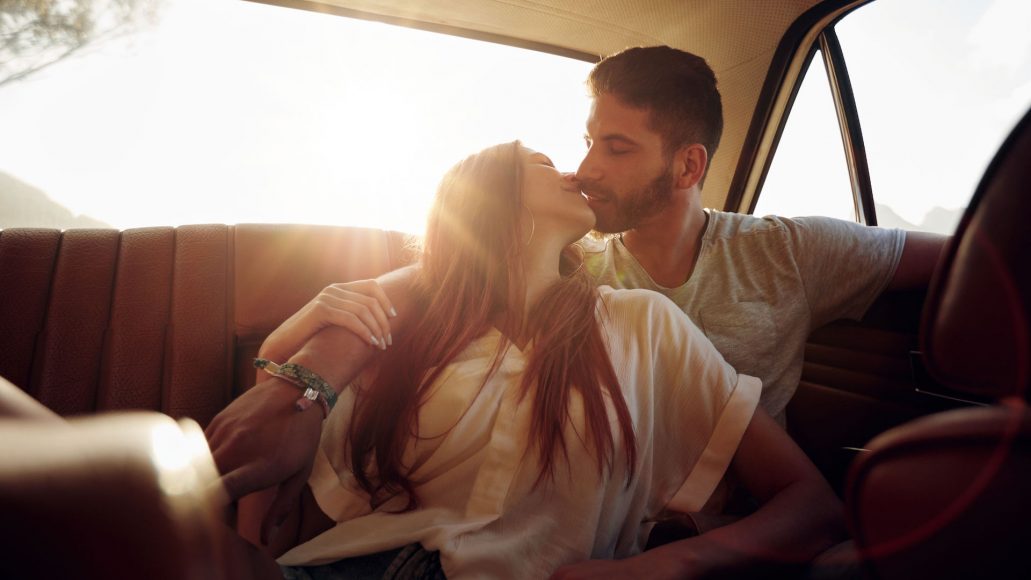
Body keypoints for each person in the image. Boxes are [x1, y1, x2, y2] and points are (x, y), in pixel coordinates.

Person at [206, 45, 944, 547]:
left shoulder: (790, 250)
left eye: (615, 148)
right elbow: (435, 280)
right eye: (586, 141)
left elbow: (974, 263)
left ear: (687, 166)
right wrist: (301, 377)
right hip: (572, 526)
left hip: (717, 526)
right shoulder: (574, 265)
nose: (587, 168)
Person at [233, 141, 843, 578]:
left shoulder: (645, 325)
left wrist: (668, 565)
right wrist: (290, 339)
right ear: (490, 202)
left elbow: (811, 503)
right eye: (546, 164)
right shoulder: (410, 330)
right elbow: (271, 465)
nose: (576, 174)